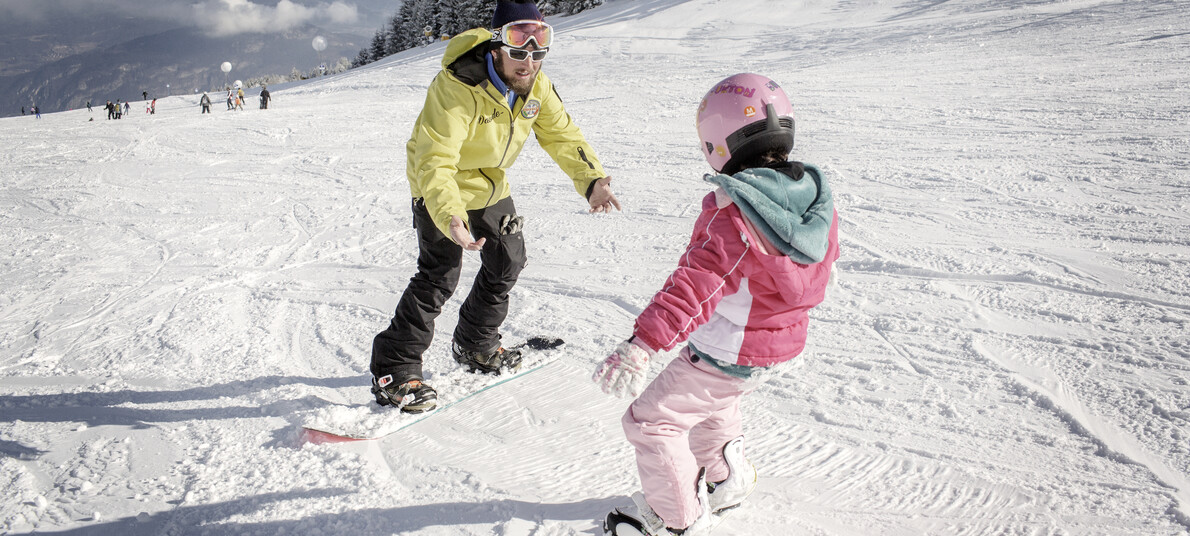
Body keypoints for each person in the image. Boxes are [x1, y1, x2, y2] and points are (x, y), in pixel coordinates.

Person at [593, 73, 840, 536]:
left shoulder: (735, 214)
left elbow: (697, 284)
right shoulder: (811, 198)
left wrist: (643, 343)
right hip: (773, 345)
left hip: (733, 349)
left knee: (650, 424)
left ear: (717, 143)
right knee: (714, 397)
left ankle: (676, 519)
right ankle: (726, 480)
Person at [369, 0, 620, 414]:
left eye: (538, 53)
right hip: (440, 185)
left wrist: (592, 180)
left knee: (508, 260)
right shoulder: (456, 87)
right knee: (439, 275)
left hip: (488, 183)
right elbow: (436, 160)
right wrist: (449, 214)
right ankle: (394, 369)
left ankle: (475, 343)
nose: (529, 63)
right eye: (519, 52)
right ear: (496, 46)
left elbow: (561, 134)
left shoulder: (535, 87)